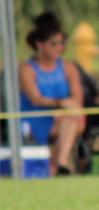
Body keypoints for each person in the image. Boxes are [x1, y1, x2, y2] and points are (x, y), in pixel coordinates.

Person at [18, 12, 85, 176]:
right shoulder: (27, 69)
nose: (59, 47)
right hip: (36, 118)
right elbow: (36, 99)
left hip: (64, 117)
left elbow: (77, 97)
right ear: (39, 45)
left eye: (62, 43)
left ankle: (57, 165)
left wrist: (70, 106)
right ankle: (59, 163)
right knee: (70, 121)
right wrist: (61, 103)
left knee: (71, 119)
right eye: (54, 43)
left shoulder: (69, 67)